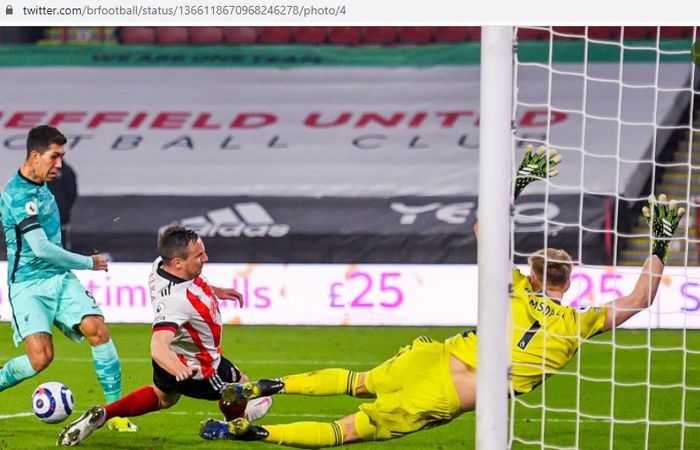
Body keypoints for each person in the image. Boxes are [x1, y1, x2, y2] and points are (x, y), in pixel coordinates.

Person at [197, 145, 685, 448]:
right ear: (568, 282)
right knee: (348, 430)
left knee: (357, 380)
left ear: (534, 276)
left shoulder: (513, 289)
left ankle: (266, 386)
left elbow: (484, 228)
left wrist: (518, 183)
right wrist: (660, 242)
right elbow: (640, 298)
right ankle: (257, 433)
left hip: (437, 356)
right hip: (456, 391)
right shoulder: (579, 323)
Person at [57, 224, 273, 446]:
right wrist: (180, 369)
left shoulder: (161, 265)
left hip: (172, 359)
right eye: (199, 255)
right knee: (239, 386)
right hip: (198, 367)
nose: (206, 258)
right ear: (178, 263)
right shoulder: (176, 302)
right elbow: (158, 345)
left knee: (163, 398)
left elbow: (190, 283)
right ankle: (235, 423)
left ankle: (104, 414)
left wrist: (215, 291)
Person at [0, 125, 136, 431]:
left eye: (62, 156)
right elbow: (40, 248)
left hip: (59, 279)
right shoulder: (17, 195)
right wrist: (88, 262)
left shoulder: (42, 185)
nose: (60, 164)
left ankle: (116, 414)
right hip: (28, 286)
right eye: (54, 156)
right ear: (35, 156)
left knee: (97, 330)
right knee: (40, 359)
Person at [47, 160, 77, 250]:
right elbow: (72, 192)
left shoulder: (66, 171)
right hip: (55, 211)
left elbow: (72, 192)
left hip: (58, 211)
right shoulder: (66, 170)